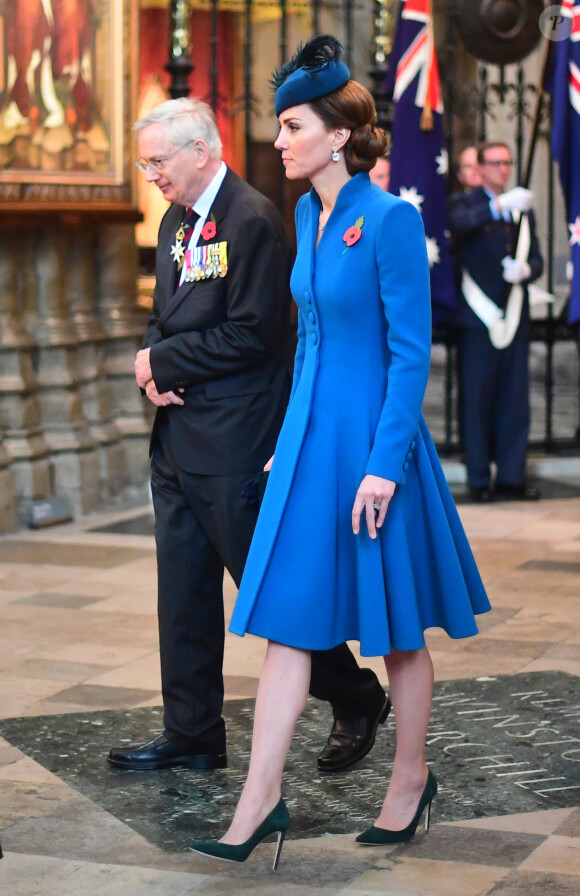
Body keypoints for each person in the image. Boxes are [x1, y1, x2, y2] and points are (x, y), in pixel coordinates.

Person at [190, 35, 490, 868]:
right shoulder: (305, 218)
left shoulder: (391, 219)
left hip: (372, 451)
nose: (279, 142)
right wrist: (285, 447)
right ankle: (259, 803)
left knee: (395, 632)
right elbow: (311, 343)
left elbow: (409, 353)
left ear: (335, 134)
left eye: (291, 126)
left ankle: (407, 781)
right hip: (312, 447)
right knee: (288, 622)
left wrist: (382, 467)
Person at [107, 97, 388, 775]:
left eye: (157, 160)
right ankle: (194, 731)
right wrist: (153, 368)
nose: (151, 174)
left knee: (271, 591)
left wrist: (163, 362)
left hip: (234, 441)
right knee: (183, 594)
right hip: (177, 436)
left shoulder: (254, 219)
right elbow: (162, 313)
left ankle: (356, 695)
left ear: (200, 150)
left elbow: (255, 333)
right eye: (144, 163)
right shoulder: (177, 220)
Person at [448, 141, 543, 503]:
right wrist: (498, 206)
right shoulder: (466, 203)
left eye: (507, 163)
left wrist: (527, 269)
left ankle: (511, 477)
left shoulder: (523, 210)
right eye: (495, 163)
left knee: (514, 401)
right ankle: (478, 479)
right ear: (481, 167)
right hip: (477, 319)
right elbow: (460, 226)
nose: (503, 169)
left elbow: (537, 259)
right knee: (477, 401)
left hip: (514, 316)